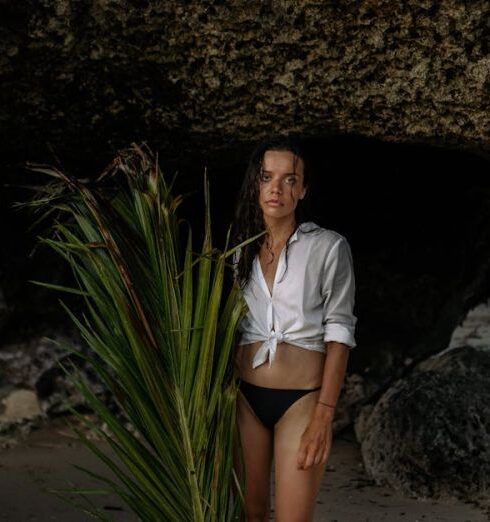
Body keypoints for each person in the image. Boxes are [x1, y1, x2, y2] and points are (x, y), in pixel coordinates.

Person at [231, 136, 357, 521]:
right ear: (256, 184)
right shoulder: (238, 249)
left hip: (302, 402)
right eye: (267, 177)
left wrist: (324, 415)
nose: (276, 188)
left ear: (302, 190)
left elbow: (339, 333)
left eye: (289, 179)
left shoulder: (328, 247)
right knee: (250, 514)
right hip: (244, 399)